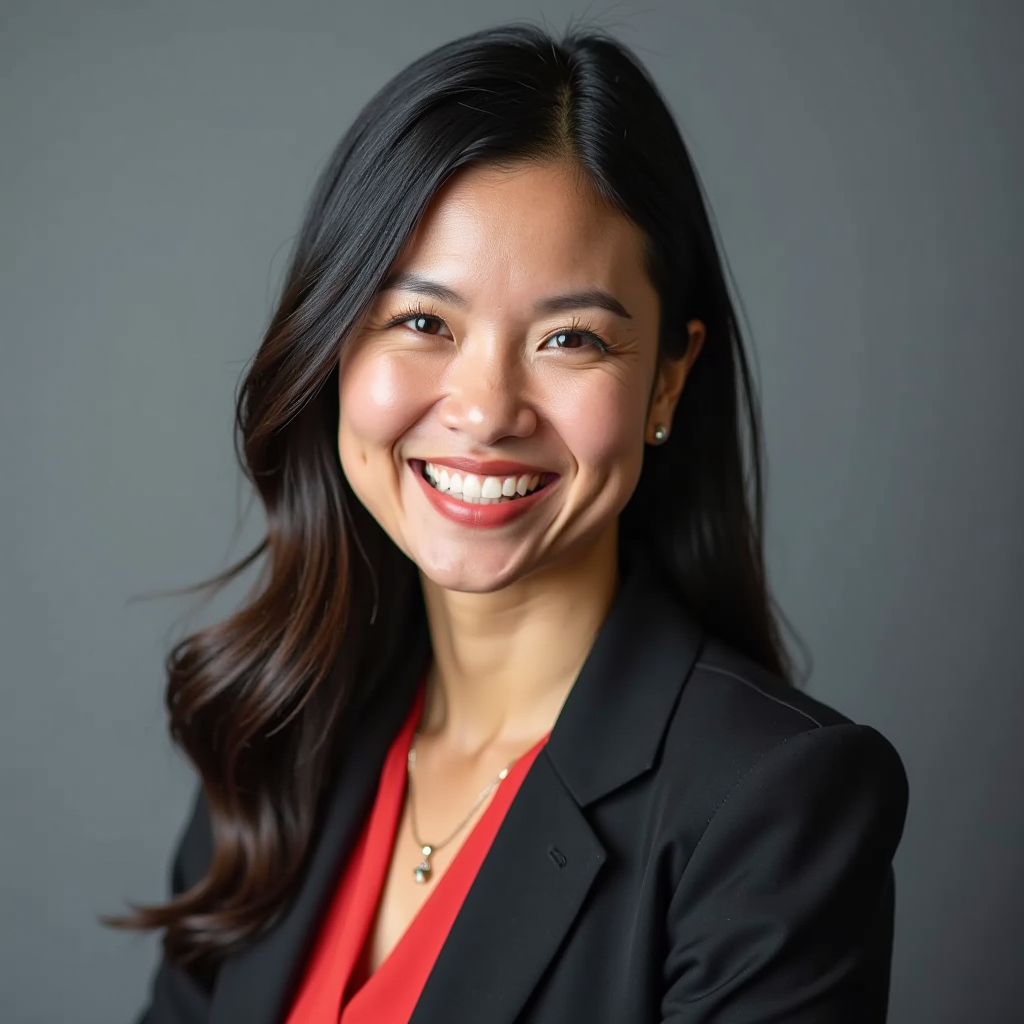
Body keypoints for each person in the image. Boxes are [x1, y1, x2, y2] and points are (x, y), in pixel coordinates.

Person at [115, 22, 909, 1024]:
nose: (486, 409)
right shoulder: (289, 738)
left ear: (667, 377)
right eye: (422, 323)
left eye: (569, 338)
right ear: (331, 346)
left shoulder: (770, 807)